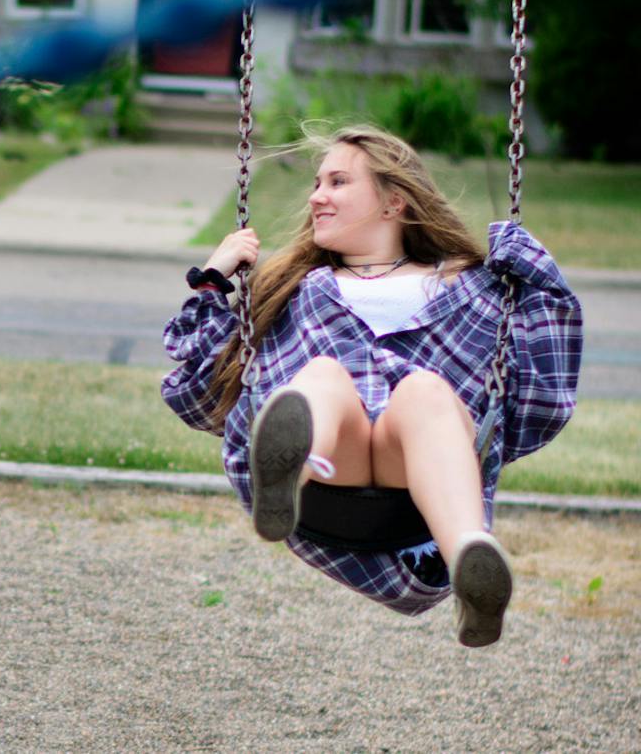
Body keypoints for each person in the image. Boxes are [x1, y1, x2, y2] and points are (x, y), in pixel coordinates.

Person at [161, 126, 583, 646]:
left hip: (419, 485)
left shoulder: (472, 287)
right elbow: (201, 389)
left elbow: (543, 387)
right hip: (332, 475)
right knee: (322, 378)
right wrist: (213, 278)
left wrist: (533, 271)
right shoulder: (299, 287)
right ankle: (285, 475)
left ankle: (471, 565)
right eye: (317, 183)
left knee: (423, 391)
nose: (316, 196)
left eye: (337, 182)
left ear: (394, 202)